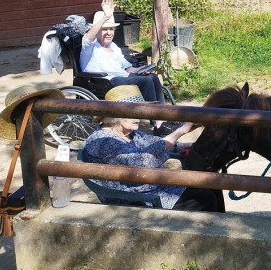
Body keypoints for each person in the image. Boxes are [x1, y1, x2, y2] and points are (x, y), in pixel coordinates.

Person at [82, 85, 224, 212]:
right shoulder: (104, 140)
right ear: (117, 114)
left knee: (212, 186)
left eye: (140, 112)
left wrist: (179, 146)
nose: (139, 117)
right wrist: (180, 131)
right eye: (134, 112)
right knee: (205, 198)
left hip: (153, 187)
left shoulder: (130, 133)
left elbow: (153, 142)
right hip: (138, 198)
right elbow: (145, 162)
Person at [80, 0, 165, 103]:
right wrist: (106, 17)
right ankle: (154, 117)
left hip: (121, 76)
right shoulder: (90, 47)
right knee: (146, 81)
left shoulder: (113, 46)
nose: (109, 33)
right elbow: (88, 37)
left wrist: (140, 69)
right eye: (104, 29)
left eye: (111, 29)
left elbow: (127, 68)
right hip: (104, 81)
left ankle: (162, 115)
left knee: (152, 77)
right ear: (97, 31)